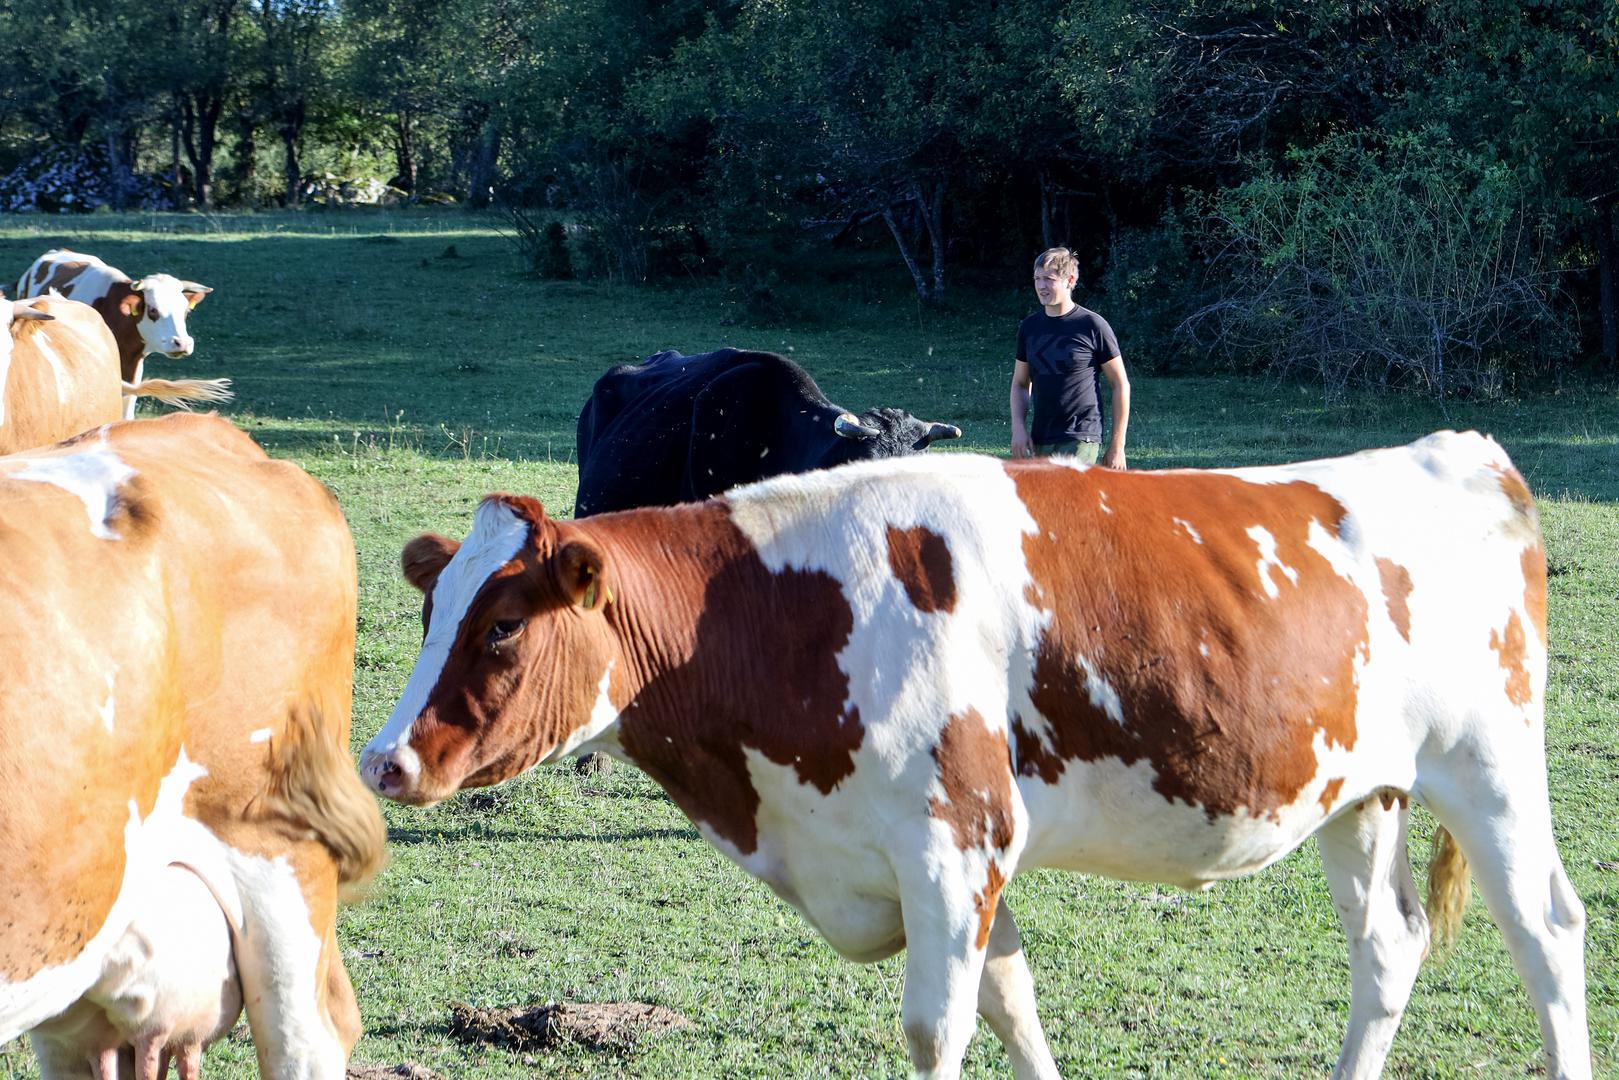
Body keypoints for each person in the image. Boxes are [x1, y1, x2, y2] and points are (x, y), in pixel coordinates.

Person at [1009, 247, 1130, 467]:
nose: (1041, 286)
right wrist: (1018, 428)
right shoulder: (1029, 327)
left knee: (1070, 499)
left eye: (1049, 279)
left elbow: (1120, 384)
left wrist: (1117, 446)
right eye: (1037, 278)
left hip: (1081, 435)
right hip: (1040, 437)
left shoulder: (1093, 325)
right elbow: (1020, 383)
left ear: (1070, 280)